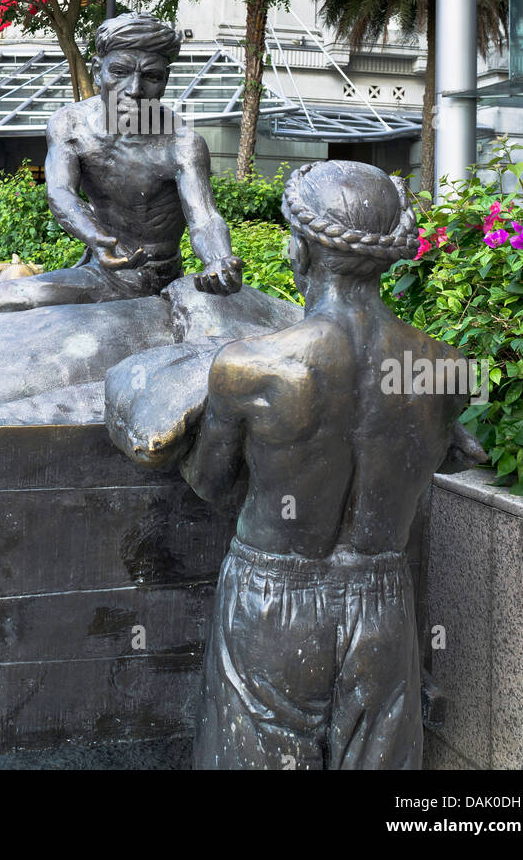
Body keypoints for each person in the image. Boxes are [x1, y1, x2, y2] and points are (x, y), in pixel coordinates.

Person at [181, 159, 469, 771]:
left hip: (271, 600)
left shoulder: (249, 366)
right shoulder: (446, 369)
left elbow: (210, 483)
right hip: (384, 602)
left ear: (299, 248)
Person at [0, 12, 243, 317]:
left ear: (165, 81)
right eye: (120, 71)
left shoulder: (182, 144)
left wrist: (219, 260)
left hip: (148, 276)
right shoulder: (70, 125)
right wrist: (96, 236)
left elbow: (204, 217)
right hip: (97, 266)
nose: (135, 89)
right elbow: (61, 192)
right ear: (98, 72)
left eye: (151, 76)